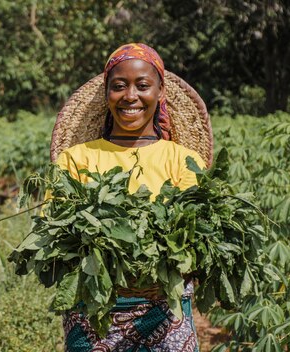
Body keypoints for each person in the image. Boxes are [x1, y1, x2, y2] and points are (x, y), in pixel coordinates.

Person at [55, 43, 207, 351]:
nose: (130, 96)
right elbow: (59, 232)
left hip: (165, 311)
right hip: (93, 309)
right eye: (119, 86)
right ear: (106, 93)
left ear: (160, 91)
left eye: (142, 85)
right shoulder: (76, 159)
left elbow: (195, 238)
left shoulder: (184, 161)